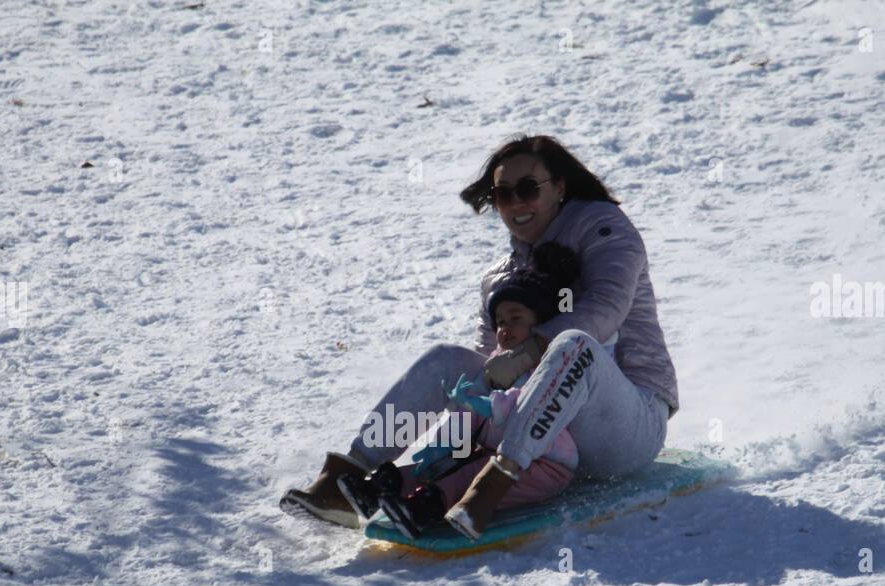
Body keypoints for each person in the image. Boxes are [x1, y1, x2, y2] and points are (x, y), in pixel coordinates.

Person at [281, 134, 678, 539]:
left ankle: (490, 487)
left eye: (528, 189)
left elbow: (607, 308)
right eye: (503, 194)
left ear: (559, 187)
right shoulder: (501, 276)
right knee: (448, 361)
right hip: (547, 441)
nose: (517, 203)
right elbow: (490, 374)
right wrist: (447, 450)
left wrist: (528, 353)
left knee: (574, 345)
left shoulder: (607, 232)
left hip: (624, 427)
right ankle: (348, 478)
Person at [340, 247, 582, 540]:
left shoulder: (547, 364)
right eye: (501, 322)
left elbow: (526, 405)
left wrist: (482, 404)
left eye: (515, 318)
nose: (505, 329)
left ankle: (426, 508)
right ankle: (383, 488)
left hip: (543, 464)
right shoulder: (499, 363)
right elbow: (471, 414)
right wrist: (445, 444)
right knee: (449, 458)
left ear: (539, 323)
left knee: (472, 472)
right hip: (496, 451)